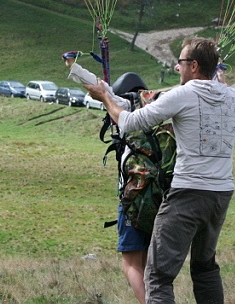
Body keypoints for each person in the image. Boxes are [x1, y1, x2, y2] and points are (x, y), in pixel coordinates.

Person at [84, 37, 235, 304]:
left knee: (158, 276)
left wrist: (105, 96)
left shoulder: (183, 94)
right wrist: (223, 82)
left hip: (188, 194)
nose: (177, 67)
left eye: (181, 62)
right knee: (205, 267)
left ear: (194, 66)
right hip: (221, 195)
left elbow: (129, 122)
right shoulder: (231, 95)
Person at [63, 53, 148, 304]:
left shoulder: (124, 107)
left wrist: (73, 66)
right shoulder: (158, 108)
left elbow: (99, 87)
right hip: (160, 197)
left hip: (132, 197)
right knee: (148, 265)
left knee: (130, 265)